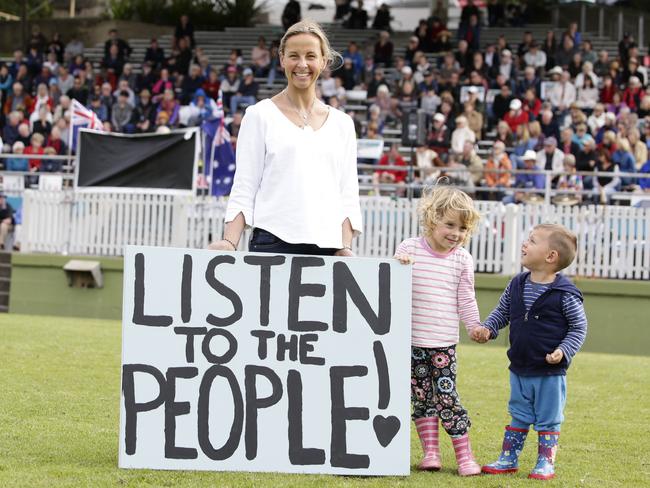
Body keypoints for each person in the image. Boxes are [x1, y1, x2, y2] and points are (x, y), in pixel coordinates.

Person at [208, 20, 361, 256]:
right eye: (294, 56)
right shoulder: (259, 115)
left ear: (324, 61)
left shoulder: (343, 124)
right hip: (271, 242)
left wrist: (345, 246)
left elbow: (348, 193)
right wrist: (229, 241)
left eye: (311, 55)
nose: (302, 64)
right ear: (281, 60)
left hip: (329, 246)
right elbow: (245, 185)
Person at [472, 223, 587, 480]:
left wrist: (563, 350)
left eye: (532, 241)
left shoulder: (564, 294)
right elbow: (502, 312)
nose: (525, 244)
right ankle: (508, 458)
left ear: (550, 257)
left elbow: (579, 327)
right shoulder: (517, 284)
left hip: (549, 371)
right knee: (519, 413)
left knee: (548, 418)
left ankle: (545, 462)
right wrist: (488, 329)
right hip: (520, 366)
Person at [394, 185, 482, 476]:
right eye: (450, 225)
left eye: (462, 228)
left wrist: (474, 325)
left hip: (443, 344)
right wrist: (400, 265)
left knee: (447, 397)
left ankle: (464, 456)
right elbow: (392, 284)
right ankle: (431, 453)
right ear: (432, 219)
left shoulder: (462, 259)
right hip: (411, 342)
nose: (456, 233)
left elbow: (466, 298)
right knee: (421, 398)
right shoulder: (409, 248)